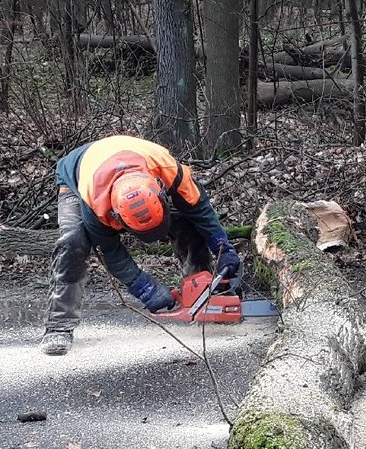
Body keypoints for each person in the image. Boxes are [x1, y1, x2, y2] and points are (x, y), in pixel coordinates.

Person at [38, 135, 240, 356]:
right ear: (116, 217)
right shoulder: (95, 204)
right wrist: (144, 287)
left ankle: (203, 294)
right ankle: (58, 326)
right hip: (76, 177)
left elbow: (198, 207)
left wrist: (223, 246)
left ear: (161, 192)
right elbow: (111, 252)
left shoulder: (169, 170)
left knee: (188, 222)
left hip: (131, 161)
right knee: (73, 242)